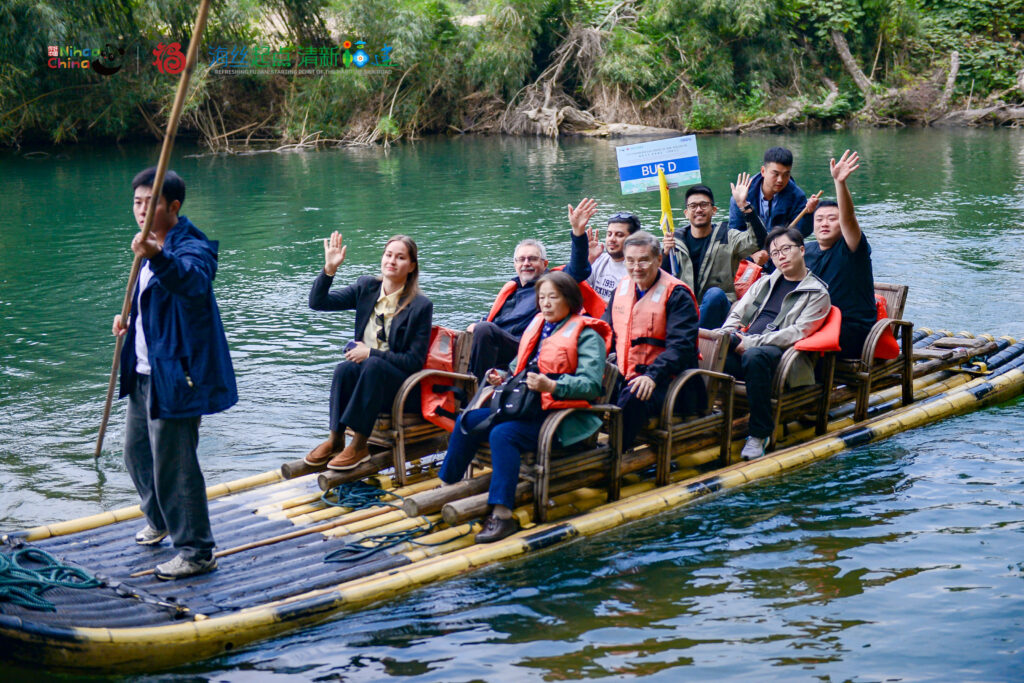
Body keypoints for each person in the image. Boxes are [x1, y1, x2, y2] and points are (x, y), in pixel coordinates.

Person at [112, 168, 237, 580]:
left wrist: (157, 256)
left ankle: (197, 550)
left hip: (177, 374)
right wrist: (129, 321)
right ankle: (161, 518)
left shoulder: (190, 246)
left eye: (150, 203)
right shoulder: (147, 248)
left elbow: (193, 283)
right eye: (137, 202)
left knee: (176, 465)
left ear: (174, 207)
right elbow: (156, 304)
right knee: (136, 453)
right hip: (145, 369)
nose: (141, 210)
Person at [440, 271, 611, 543]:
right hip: (525, 407)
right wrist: (503, 376)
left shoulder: (587, 336)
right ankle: (446, 487)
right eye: (541, 297)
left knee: (503, 434)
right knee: (470, 420)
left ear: (569, 299)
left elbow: (590, 385)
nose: (545, 303)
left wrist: (552, 386)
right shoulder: (539, 326)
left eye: (552, 297)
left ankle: (503, 515)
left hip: (560, 416)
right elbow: (518, 369)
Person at [304, 232, 433, 471]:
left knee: (371, 364)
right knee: (345, 369)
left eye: (401, 257)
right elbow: (318, 303)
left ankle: (360, 445)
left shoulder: (420, 306)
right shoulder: (367, 287)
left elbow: (414, 362)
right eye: (388, 255)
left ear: (412, 266)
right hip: (368, 382)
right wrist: (329, 270)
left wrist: (371, 354)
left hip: (402, 387)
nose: (392, 261)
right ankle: (336, 439)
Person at [714, 225, 831, 461]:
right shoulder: (765, 282)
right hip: (746, 346)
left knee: (754, 356)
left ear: (801, 250)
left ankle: (759, 433)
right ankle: (694, 414)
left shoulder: (817, 293)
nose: (781, 256)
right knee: (705, 345)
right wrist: (727, 334)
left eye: (786, 249)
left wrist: (750, 343)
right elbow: (737, 313)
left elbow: (797, 333)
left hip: (783, 358)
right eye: (775, 253)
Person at [467, 199, 595, 381]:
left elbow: (578, 270)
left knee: (484, 330)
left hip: (524, 346)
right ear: (515, 264)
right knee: (471, 331)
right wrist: (475, 324)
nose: (526, 263)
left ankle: (475, 387)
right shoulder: (511, 290)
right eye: (521, 260)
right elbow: (492, 318)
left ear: (545, 264)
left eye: (532, 259)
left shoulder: (552, 284)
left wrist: (578, 232)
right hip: (496, 341)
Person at [603, 231, 701, 450]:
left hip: (669, 380)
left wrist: (652, 376)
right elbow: (605, 332)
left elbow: (681, 346)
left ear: (658, 259)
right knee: (586, 387)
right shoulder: (622, 288)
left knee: (633, 395)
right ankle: (576, 449)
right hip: (625, 371)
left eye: (643, 260)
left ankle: (615, 455)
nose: (636, 267)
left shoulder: (677, 294)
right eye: (630, 260)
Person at [662, 181, 766, 329]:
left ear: (714, 210)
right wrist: (665, 253)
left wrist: (745, 207)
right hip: (686, 308)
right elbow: (660, 276)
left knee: (714, 294)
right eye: (693, 206)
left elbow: (758, 241)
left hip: (718, 307)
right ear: (686, 213)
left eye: (704, 205)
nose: (698, 209)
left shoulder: (728, 237)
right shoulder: (674, 241)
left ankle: (692, 340)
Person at [803, 150, 876, 358]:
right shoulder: (806, 252)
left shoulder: (852, 248)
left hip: (851, 329)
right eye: (819, 219)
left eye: (831, 219)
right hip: (815, 322)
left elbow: (849, 218)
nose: (824, 223)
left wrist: (840, 183)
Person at [729, 146, 817, 238]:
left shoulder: (797, 196)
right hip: (750, 247)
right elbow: (735, 233)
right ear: (763, 171)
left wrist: (809, 213)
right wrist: (742, 205)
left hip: (781, 248)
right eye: (776, 174)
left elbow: (801, 234)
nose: (780, 180)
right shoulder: (743, 194)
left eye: (786, 174)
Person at [585, 211, 642, 302]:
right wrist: (587, 260)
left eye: (619, 235)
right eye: (609, 234)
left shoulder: (639, 270)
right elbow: (572, 287)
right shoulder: (598, 260)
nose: (612, 239)